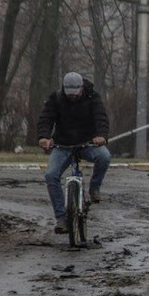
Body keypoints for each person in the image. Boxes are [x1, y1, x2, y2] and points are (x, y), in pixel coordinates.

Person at [37, 72, 110, 234]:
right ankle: (61, 218)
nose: (72, 97)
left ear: (81, 88)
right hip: (63, 145)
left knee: (104, 157)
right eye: (69, 94)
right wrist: (44, 137)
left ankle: (94, 188)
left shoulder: (93, 97)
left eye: (75, 94)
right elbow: (46, 118)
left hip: (87, 143)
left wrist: (101, 136)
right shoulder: (56, 98)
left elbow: (101, 118)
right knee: (51, 175)